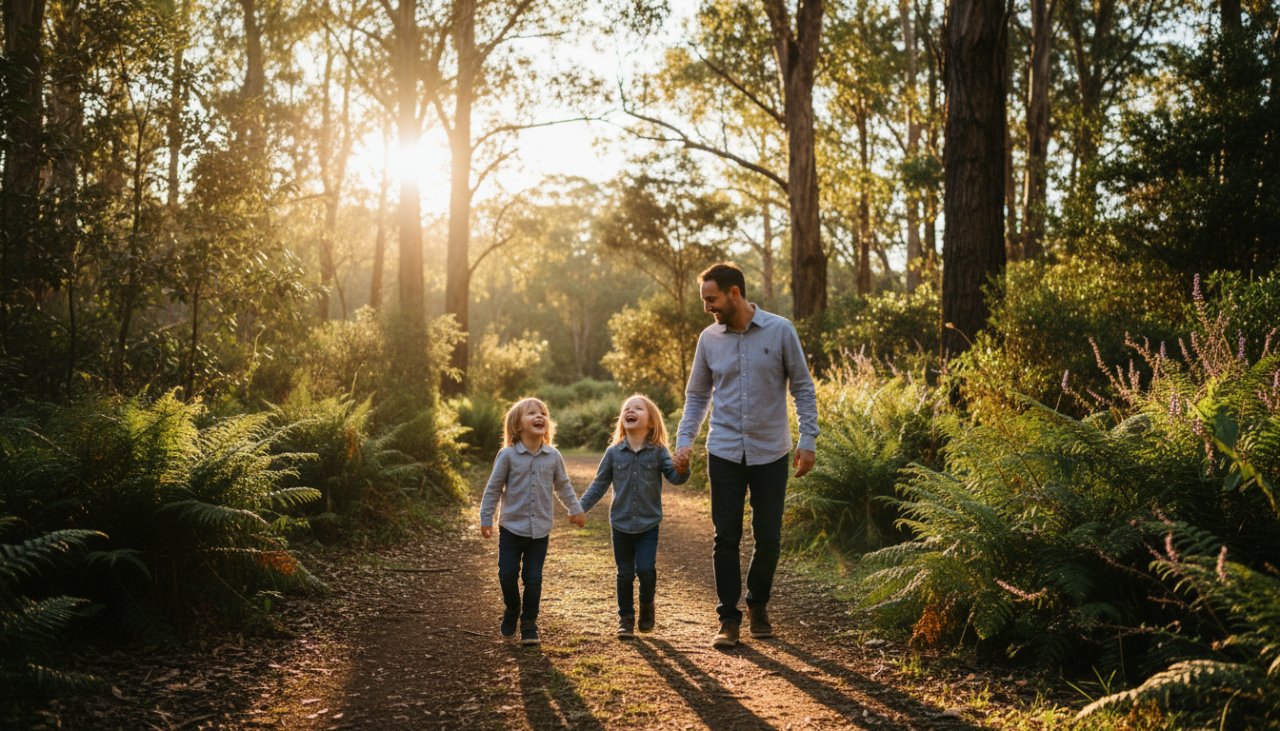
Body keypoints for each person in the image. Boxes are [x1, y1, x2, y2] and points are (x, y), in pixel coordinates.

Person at [673, 262, 819, 649]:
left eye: (712, 298)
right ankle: (728, 618)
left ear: (734, 292)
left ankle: (758, 603)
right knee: (726, 536)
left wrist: (809, 439)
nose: (707, 307)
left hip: (771, 450)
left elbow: (803, 388)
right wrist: (685, 439)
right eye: (705, 299)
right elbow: (697, 395)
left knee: (769, 537)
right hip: (723, 450)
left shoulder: (780, 330)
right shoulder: (709, 339)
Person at [579, 394, 689, 639]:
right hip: (620, 524)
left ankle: (647, 606)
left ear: (651, 422)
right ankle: (626, 618)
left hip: (649, 524)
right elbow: (599, 485)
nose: (630, 410)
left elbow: (676, 478)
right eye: (627, 408)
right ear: (622, 419)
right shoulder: (613, 453)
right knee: (625, 572)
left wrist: (683, 467)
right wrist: (580, 507)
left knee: (646, 569)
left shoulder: (659, 452)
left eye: (638, 408)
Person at [479, 397, 586, 646]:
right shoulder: (507, 456)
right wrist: (487, 517)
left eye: (543, 413)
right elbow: (493, 489)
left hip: (540, 531)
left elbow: (563, 486)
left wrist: (576, 509)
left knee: (533, 578)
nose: (539, 416)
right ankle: (512, 609)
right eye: (532, 413)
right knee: (507, 575)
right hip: (511, 529)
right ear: (517, 426)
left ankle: (529, 624)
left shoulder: (553, 456)